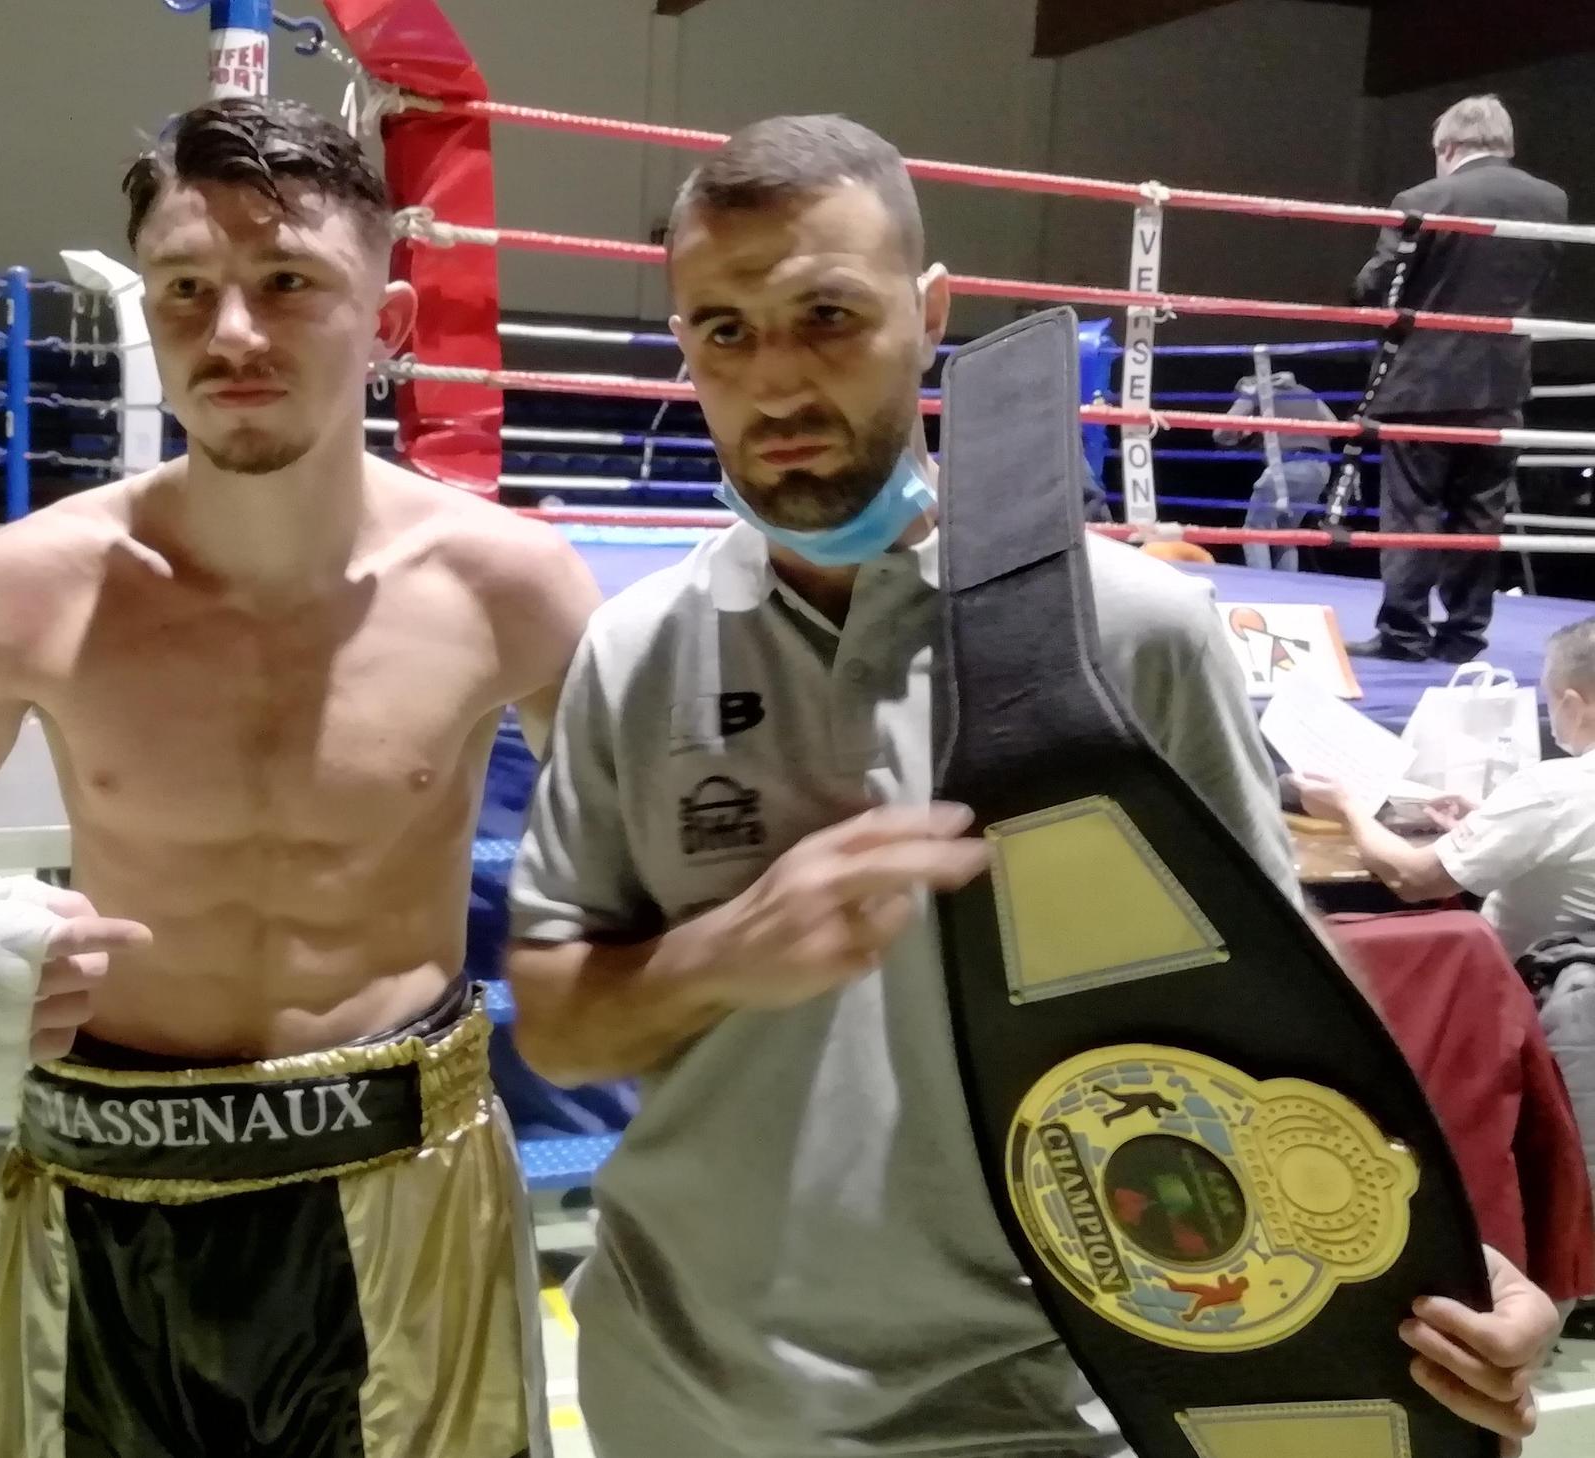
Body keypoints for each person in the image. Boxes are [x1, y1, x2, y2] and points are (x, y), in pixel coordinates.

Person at [508, 114, 1563, 1458]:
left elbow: (1273, 1012)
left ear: (931, 311)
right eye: (723, 332)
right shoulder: (634, 646)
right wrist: (728, 953)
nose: (773, 381)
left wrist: (1437, 1261)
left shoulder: (1134, 633)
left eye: (826, 316)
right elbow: (555, 1020)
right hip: (691, 1399)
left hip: (1040, 1407)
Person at [0, 97, 600, 1458]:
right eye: (188, 288)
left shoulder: (506, 585)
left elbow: (661, 854)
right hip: (102, 1188)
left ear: (391, 323)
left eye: (289, 282)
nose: (232, 333)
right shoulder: (31, 584)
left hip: (399, 1185)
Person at [1350, 95, 1569, 664]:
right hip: (1501, 381)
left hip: (1424, 381)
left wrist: (1363, 287)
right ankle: (1465, 635)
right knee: (1480, 512)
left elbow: (1380, 288)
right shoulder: (1551, 200)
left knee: (1413, 511)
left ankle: (1404, 634)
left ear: (1447, 147)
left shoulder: (1424, 198)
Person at [1293, 615, 1595, 960]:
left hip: (1528, 988)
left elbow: (1413, 879)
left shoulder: (1552, 790)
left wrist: (1348, 809)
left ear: (1571, 705)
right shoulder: (1552, 796)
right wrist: (1492, 823)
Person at [1210, 366, 1337, 572]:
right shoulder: (1306, 392)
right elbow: (1334, 426)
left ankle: (1262, 586)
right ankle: (1287, 589)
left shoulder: (1254, 391)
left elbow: (1220, 432)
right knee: (1286, 534)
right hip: (1319, 469)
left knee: (1253, 530)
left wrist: (1243, 434)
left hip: (1286, 467)